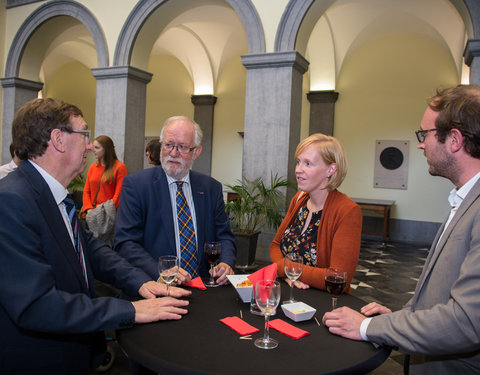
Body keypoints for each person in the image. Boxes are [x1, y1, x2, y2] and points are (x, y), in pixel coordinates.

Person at [0, 98, 190, 375]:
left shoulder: (48, 193)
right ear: (58, 140)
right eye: (84, 134)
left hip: (73, 352)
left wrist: (141, 283)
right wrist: (131, 311)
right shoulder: (11, 201)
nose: (90, 145)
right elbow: (37, 304)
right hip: (39, 361)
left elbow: (90, 249)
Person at [322, 84, 480, 374]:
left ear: (454, 139)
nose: (421, 144)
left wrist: (369, 326)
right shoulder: (464, 198)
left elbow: (467, 321)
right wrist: (402, 316)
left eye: (425, 134)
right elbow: (443, 291)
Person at [115, 116, 236, 285]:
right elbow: (126, 243)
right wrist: (161, 272)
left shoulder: (211, 188)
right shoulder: (137, 185)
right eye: (168, 145)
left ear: (197, 152)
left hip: (204, 290)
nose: (173, 153)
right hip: (155, 291)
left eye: (182, 147)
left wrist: (226, 262)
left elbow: (225, 236)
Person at [270, 133, 362, 292]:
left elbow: (339, 278)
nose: (298, 170)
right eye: (298, 162)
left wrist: (286, 268)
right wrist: (287, 274)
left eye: (308, 163)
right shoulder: (299, 199)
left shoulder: (347, 211)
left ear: (331, 169)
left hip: (323, 303)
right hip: (289, 291)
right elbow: (275, 245)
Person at [81, 135, 127, 215]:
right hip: (92, 214)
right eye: (93, 147)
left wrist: (106, 211)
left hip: (110, 214)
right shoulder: (93, 167)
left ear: (106, 150)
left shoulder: (119, 167)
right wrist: (89, 209)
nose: (93, 150)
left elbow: (119, 194)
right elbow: (86, 191)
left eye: (97, 148)